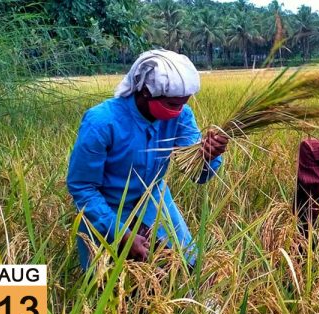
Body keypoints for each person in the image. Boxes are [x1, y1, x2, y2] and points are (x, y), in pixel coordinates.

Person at [67, 50, 229, 269]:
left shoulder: (182, 115)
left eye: (183, 103)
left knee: (188, 266)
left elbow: (198, 176)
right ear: (144, 91)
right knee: (110, 284)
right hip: (107, 207)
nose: (178, 110)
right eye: (172, 104)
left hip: (154, 199)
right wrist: (121, 233)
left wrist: (208, 156)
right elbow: (82, 187)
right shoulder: (101, 122)